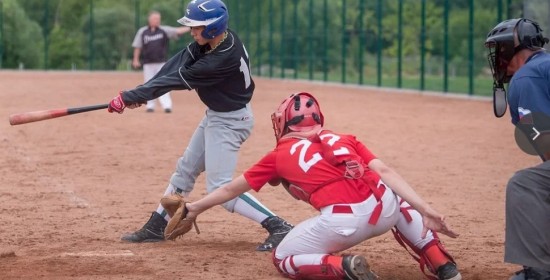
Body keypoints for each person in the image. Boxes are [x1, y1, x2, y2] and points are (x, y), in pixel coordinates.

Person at [171, 92, 463, 280]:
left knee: (283, 258)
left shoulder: (278, 155)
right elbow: (385, 171)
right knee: (395, 197)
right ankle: (442, 264)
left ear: (286, 123)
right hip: (384, 210)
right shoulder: (346, 138)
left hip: (343, 222)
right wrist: (426, 209)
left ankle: (342, 267)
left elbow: (230, 190)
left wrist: (194, 208)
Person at [108, 0, 293, 251]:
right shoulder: (216, 41)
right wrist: (138, 94)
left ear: (212, 28)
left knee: (220, 189)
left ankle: (278, 225)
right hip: (218, 116)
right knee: (184, 171)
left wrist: (131, 97)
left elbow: (176, 79)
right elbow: (176, 64)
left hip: (230, 122)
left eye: (196, 27)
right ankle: (156, 225)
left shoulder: (220, 59)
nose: (192, 31)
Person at [485, 18, 550, 280]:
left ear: (514, 48)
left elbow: (546, 143)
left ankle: (538, 273)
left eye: (500, 50)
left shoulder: (526, 78)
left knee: (526, 185)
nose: (498, 58)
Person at [131, 11, 190, 113]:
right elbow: (137, 46)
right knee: (148, 83)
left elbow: (178, 31)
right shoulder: (143, 31)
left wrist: (191, 27)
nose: (157, 20)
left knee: (164, 83)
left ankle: (167, 106)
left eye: (158, 19)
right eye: (155, 19)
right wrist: (135, 59)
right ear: (149, 20)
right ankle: (150, 106)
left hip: (161, 62)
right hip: (148, 63)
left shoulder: (163, 30)